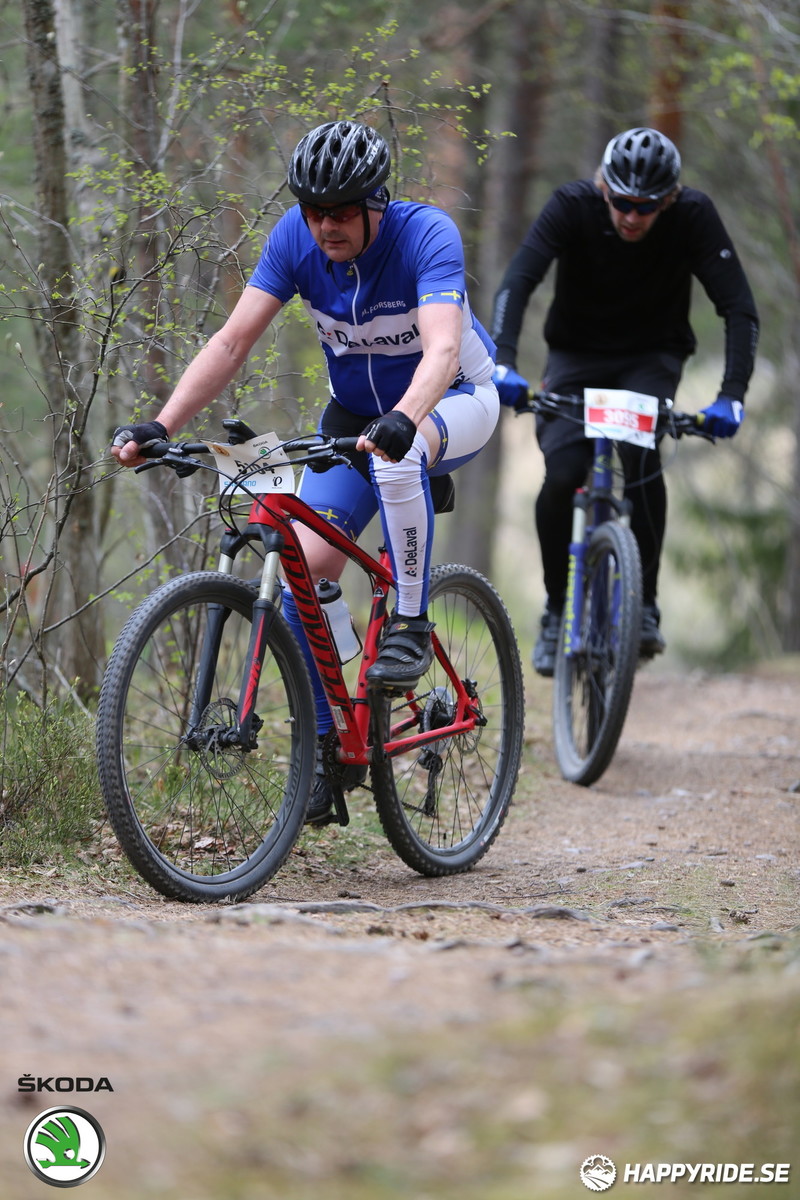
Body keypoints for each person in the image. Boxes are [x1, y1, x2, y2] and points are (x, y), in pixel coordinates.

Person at [112, 119, 499, 824]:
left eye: (341, 211)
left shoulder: (426, 235)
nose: (325, 226)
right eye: (313, 210)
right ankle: (329, 747)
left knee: (403, 457)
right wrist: (161, 425)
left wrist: (406, 417)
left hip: (453, 400)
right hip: (352, 418)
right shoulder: (296, 239)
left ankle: (411, 623)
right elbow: (232, 342)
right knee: (301, 569)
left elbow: (443, 353)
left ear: (376, 203)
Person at [490, 126, 759, 676]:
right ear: (603, 188)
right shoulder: (572, 205)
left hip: (650, 359)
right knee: (563, 475)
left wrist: (731, 395)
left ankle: (645, 605)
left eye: (647, 206)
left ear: (670, 199)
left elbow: (738, 307)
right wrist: (503, 361)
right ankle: (557, 610)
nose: (632, 216)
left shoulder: (693, 217)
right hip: (576, 358)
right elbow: (518, 280)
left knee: (639, 457)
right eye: (622, 202)